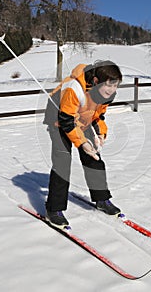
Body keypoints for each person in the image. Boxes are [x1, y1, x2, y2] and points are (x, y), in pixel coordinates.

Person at [43, 60, 123, 228]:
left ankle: (101, 199)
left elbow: (97, 115)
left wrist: (100, 132)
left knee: (94, 158)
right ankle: (53, 209)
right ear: (96, 82)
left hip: (81, 120)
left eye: (115, 86)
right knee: (62, 162)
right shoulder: (74, 88)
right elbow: (67, 121)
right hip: (59, 121)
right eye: (109, 85)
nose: (112, 90)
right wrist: (82, 144)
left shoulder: (107, 94)